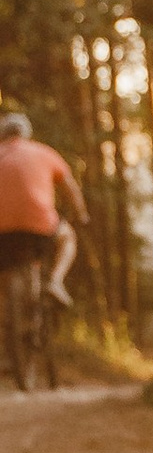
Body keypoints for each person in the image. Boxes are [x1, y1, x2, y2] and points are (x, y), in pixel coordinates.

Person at [0, 110, 86, 310]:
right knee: (68, 238)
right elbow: (71, 189)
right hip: (41, 225)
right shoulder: (44, 152)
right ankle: (55, 281)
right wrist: (81, 214)